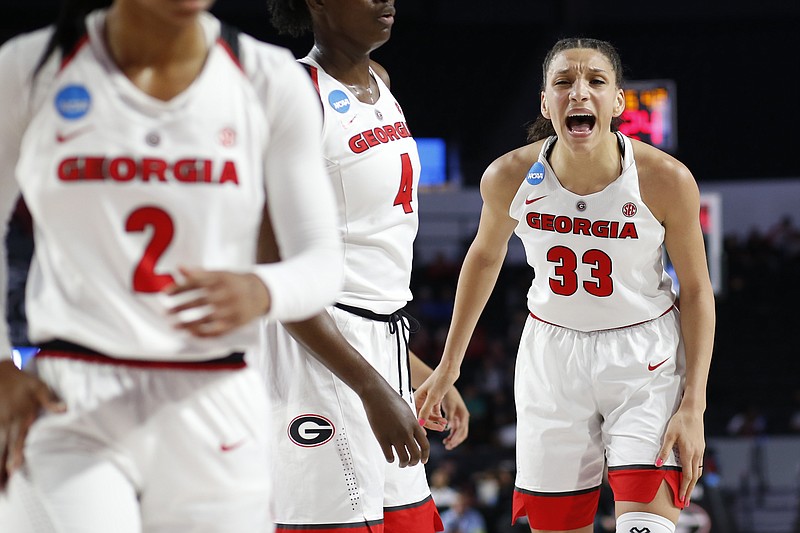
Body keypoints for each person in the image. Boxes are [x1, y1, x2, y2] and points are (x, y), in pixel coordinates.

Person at [0, 0, 344, 530]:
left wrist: (262, 288)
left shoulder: (267, 77)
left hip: (215, 391)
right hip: (73, 391)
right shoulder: (33, 66)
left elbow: (322, 261)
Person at [417, 37, 715, 533]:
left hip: (646, 359)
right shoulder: (508, 176)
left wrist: (695, 405)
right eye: (563, 83)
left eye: (596, 82)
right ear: (544, 102)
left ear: (618, 101)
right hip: (551, 358)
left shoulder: (666, 179)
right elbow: (484, 257)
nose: (579, 93)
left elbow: (698, 292)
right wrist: (449, 366)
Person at [255, 0, 468, 532]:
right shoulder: (293, 95)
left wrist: (419, 371)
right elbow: (274, 274)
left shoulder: (379, 78)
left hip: (380, 344)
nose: (385, 1)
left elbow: (370, 267)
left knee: (413, 524)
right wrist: (372, 388)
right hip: (316, 351)